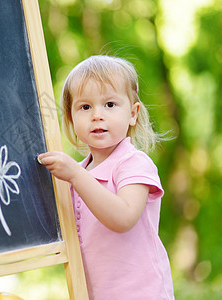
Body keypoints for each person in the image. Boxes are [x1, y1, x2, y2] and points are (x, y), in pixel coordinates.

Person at [38, 55, 174, 299]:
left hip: (142, 293)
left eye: (110, 104)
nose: (97, 115)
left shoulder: (133, 164)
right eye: (85, 107)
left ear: (132, 113)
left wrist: (76, 176)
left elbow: (123, 217)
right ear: (71, 117)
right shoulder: (76, 173)